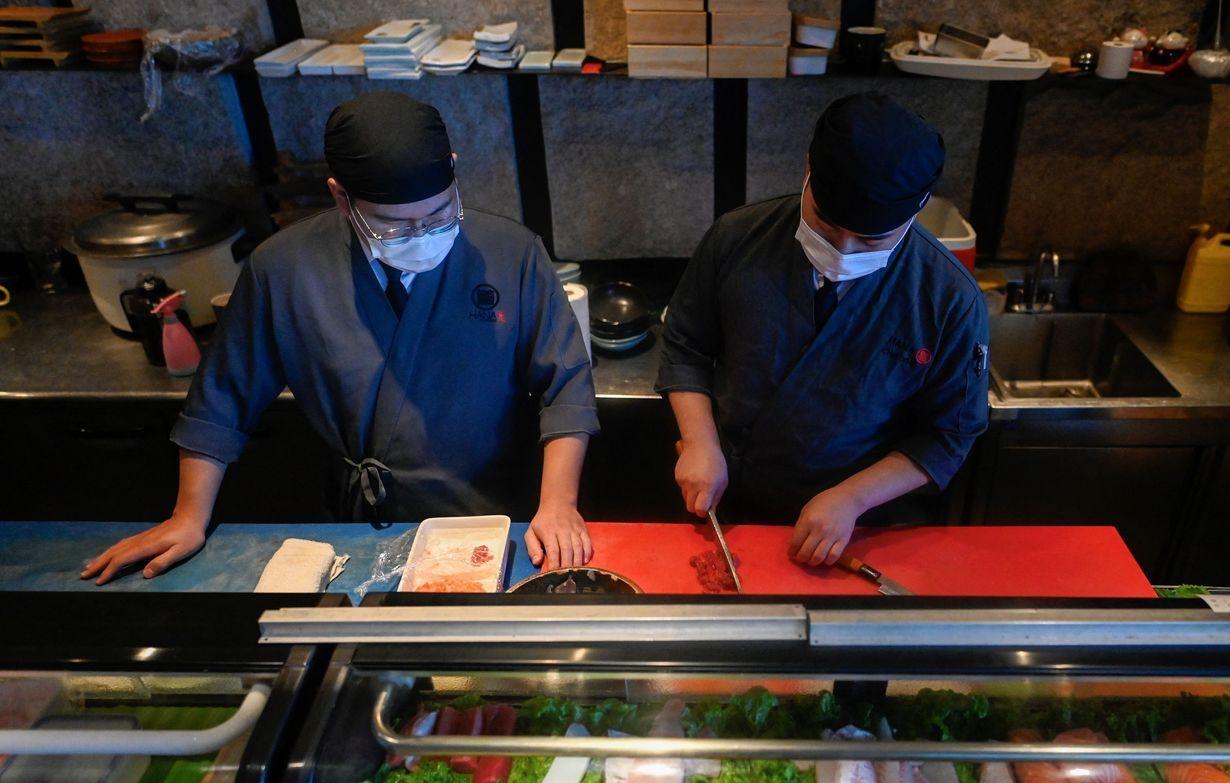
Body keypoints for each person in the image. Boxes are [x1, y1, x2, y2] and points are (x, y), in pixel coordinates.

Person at [84, 91, 598, 583]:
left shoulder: (511, 251)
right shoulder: (284, 269)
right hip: (358, 531)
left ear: (455, 173)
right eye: (393, 226)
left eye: (440, 215)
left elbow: (566, 386)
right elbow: (220, 403)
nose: (421, 235)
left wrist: (557, 505)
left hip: (496, 522)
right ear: (340, 197)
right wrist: (188, 516)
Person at [657, 92, 989, 567]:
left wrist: (852, 498)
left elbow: (949, 434)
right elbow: (684, 346)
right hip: (731, 505)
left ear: (918, 207)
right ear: (808, 167)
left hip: (860, 527)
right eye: (828, 227)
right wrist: (699, 441)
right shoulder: (736, 238)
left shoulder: (949, 299)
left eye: (872, 238)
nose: (846, 252)